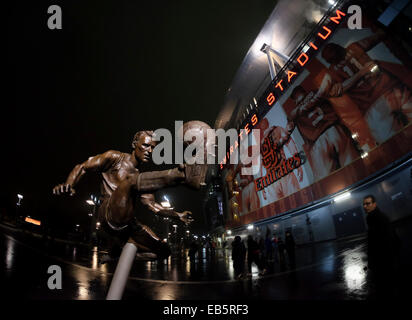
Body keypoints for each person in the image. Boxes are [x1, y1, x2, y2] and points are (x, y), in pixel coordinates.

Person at [52, 130, 205, 261]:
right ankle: (180, 175)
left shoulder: (143, 180)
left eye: (153, 148)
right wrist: (69, 184)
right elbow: (83, 166)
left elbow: (154, 207)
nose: (150, 151)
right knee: (131, 181)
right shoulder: (115, 158)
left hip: (127, 225)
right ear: (134, 145)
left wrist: (178, 215)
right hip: (108, 214)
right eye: (145, 146)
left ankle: (119, 256)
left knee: (164, 251)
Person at [320, 31, 412, 145]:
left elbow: (332, 92)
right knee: (396, 142)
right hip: (390, 91)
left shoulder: (331, 73)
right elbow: (380, 34)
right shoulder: (354, 47)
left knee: (395, 144)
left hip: (374, 105)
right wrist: (362, 72)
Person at [289, 85, 359, 181]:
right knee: (354, 170)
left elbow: (291, 117)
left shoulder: (296, 111)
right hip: (335, 130)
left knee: (328, 182)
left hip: (318, 143)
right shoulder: (317, 93)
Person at [363, 195, 400, 271]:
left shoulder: (380, 218)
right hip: (381, 259)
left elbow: (389, 239)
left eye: (368, 203)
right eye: (364, 204)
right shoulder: (371, 218)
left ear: (374, 204)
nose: (365, 206)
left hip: (385, 260)